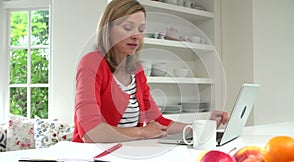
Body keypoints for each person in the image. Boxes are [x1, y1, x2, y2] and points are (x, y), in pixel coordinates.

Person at [72, 0, 229, 143]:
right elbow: (91, 133)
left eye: (141, 29)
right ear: (108, 28)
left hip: (124, 154)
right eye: (128, 27)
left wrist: (202, 127)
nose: (136, 36)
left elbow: (157, 120)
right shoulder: (91, 63)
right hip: (90, 158)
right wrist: (142, 131)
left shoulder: (136, 70)